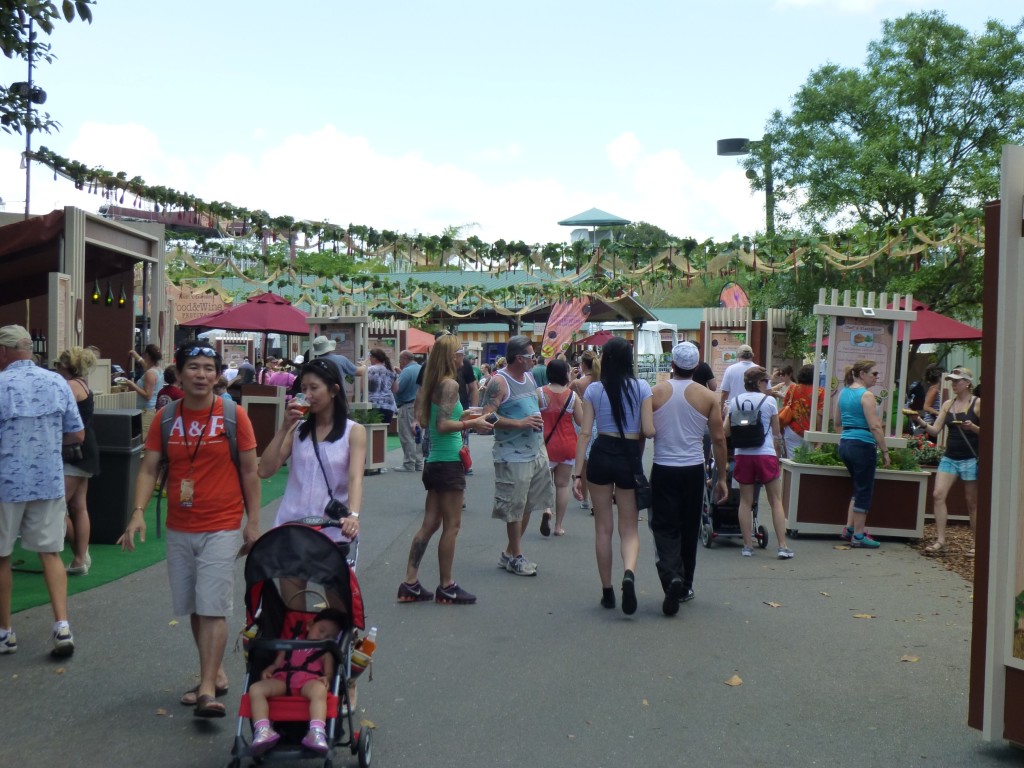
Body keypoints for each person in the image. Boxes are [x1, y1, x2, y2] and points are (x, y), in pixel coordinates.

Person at [119, 341, 261, 717]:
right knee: (196, 607)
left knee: (212, 606)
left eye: (209, 368)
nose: (202, 374)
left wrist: (254, 523)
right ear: (179, 373)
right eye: (194, 367)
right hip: (180, 525)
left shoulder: (232, 415)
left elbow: (250, 470)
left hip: (222, 523)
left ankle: (206, 689)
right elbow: (149, 468)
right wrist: (137, 512)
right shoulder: (167, 418)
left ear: (218, 375)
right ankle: (215, 674)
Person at [0, 325, 84, 657]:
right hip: (48, 480)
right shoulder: (56, 382)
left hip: (6, 482)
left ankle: (6, 632)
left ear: (4, 352)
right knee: (51, 553)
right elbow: (76, 435)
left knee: (2, 555)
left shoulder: (1, 384)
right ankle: (62, 626)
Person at [398, 334, 492, 603]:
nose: (463, 357)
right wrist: (471, 424)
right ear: (453, 357)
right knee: (451, 526)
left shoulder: (434, 383)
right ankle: (446, 585)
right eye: (460, 352)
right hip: (449, 460)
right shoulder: (450, 384)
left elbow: (441, 418)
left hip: (436, 460)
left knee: (430, 523)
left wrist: (467, 417)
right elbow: (442, 425)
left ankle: (410, 582)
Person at [259, 356, 365, 593]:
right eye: (303, 388)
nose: (307, 394)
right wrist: (284, 426)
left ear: (334, 390)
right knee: (292, 605)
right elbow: (264, 470)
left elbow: (355, 477)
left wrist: (354, 515)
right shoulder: (297, 430)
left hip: (332, 527)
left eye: (314, 388)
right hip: (293, 525)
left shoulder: (353, 431)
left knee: (338, 608)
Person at [571, 336, 655, 613]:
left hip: (601, 453)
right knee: (629, 527)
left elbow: (585, 432)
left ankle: (607, 591)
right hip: (629, 455)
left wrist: (577, 474)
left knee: (603, 528)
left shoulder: (595, 389)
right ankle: (628, 573)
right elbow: (647, 428)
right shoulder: (642, 387)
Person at [650, 342, 729, 615]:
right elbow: (718, 439)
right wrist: (721, 477)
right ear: (697, 366)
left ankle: (671, 573)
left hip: (663, 466)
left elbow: (642, 433)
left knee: (663, 525)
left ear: (672, 364)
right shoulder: (708, 397)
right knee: (689, 526)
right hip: (693, 469)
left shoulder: (655, 393)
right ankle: (685, 585)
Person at [481, 335, 555, 577]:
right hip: (512, 455)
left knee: (526, 506)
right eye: (531, 356)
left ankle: (510, 553)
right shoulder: (499, 382)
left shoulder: (530, 376)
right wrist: (519, 422)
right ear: (518, 359)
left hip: (535, 451)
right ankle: (516, 556)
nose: (534, 359)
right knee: (515, 507)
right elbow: (486, 417)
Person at [248, 608, 346, 757]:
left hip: (308, 681)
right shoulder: (291, 643)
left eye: (329, 637)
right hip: (283, 679)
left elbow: (329, 673)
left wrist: (327, 678)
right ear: (309, 625)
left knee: (320, 690)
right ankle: (263, 729)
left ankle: (316, 731)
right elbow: (276, 664)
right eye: (321, 630)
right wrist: (269, 669)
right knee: (255, 689)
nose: (323, 637)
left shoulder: (325, 652)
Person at [908, 367, 981, 554]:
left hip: (971, 458)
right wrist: (919, 421)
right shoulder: (948, 403)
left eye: (957, 381)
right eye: (952, 381)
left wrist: (973, 427)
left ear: (967, 383)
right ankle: (941, 540)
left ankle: (977, 543)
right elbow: (935, 430)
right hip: (950, 456)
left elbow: (989, 432)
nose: (954, 384)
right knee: (937, 494)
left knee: (972, 502)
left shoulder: (978, 403)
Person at [724, 366, 794, 559]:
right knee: (775, 501)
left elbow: (725, 432)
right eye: (766, 381)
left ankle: (747, 546)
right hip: (765, 454)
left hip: (743, 455)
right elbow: (776, 431)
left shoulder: (735, 402)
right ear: (758, 383)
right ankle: (782, 546)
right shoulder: (769, 401)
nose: (768, 384)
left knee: (745, 502)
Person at [53, 347, 101, 577]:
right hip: (86, 450)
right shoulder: (82, 384)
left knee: (56, 508)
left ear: (65, 367)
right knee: (79, 507)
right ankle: (81, 557)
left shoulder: (69, 387)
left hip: (72, 451)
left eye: (57, 366)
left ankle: (80, 555)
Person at [836, 360, 890, 548]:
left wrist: (846, 437)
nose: (877, 377)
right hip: (863, 444)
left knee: (858, 487)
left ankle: (849, 528)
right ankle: (858, 536)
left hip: (846, 443)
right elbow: (875, 425)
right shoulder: (866, 396)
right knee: (864, 490)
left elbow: (837, 421)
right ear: (862, 374)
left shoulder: (844, 393)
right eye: (874, 374)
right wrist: (885, 451)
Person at [536, 359, 582, 537]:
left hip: (544, 444)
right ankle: (558, 526)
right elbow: (580, 420)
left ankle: (547, 509)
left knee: (545, 483)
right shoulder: (572, 396)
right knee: (562, 486)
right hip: (567, 444)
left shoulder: (539, 393)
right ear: (565, 373)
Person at [570, 349, 600, 511]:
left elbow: (566, 398)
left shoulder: (578, 384)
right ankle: (599, 500)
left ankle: (585, 499)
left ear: (582, 365)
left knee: (584, 463)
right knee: (597, 463)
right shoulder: (600, 381)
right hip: (599, 423)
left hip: (583, 423)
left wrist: (571, 378)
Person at [779, 364, 825, 456]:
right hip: (810, 431)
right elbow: (819, 415)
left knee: (791, 463)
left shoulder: (792, 388)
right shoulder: (820, 391)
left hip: (792, 430)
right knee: (808, 463)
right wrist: (819, 435)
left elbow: (785, 406)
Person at [392, 350, 423, 472]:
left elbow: (398, 388)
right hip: (420, 405)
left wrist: (397, 378)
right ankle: (419, 463)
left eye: (400, 360)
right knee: (419, 434)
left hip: (408, 405)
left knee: (407, 435)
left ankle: (409, 463)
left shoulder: (407, 371)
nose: (400, 363)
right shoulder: (420, 368)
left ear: (405, 359)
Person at [126, 343, 162, 416]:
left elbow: (148, 395)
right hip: (152, 408)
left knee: (145, 427)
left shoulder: (150, 373)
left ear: (147, 355)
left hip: (146, 410)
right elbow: (145, 364)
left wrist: (132, 384)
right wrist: (136, 356)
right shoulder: (159, 369)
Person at [719, 344, 756, 410]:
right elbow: (766, 391)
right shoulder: (758, 369)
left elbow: (725, 392)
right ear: (752, 355)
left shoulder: (730, 369)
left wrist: (721, 409)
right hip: (753, 408)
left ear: (739, 355)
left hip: (734, 408)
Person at [366, 347, 398, 424]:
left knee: (373, 432)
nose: (369, 359)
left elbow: (361, 388)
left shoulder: (368, 370)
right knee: (383, 432)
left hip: (372, 404)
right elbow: (395, 389)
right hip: (388, 405)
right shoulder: (391, 370)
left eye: (370, 357)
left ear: (374, 358)